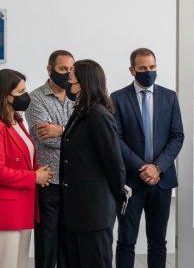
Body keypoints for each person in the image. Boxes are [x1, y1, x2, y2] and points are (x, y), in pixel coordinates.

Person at [111, 48, 184, 268]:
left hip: (162, 181)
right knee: (126, 241)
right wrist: (142, 167)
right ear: (132, 70)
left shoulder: (169, 97)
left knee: (158, 241)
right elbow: (117, 139)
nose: (148, 71)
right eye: (143, 68)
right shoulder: (117, 98)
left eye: (152, 67)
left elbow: (177, 136)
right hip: (131, 182)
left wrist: (158, 167)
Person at [0, 69, 52, 268]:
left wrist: (39, 171)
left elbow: (24, 159)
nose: (25, 96)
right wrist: (33, 177)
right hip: (5, 208)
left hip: (24, 204)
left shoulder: (18, 121)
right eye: (20, 92)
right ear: (5, 95)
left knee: (20, 264)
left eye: (24, 90)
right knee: (6, 264)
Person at [60, 59, 127, 268]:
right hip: (78, 210)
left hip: (94, 211)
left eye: (72, 80)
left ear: (85, 83)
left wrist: (117, 197)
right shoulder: (81, 111)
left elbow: (114, 163)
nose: (69, 84)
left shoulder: (99, 115)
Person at [26, 50, 76, 268]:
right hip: (49, 181)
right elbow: (44, 138)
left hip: (75, 181)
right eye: (62, 69)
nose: (67, 74)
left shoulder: (78, 96)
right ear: (49, 70)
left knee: (69, 244)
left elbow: (87, 135)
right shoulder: (35, 98)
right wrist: (74, 135)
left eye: (70, 69)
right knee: (47, 244)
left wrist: (62, 130)